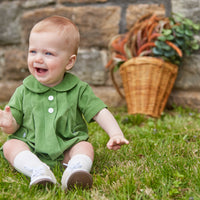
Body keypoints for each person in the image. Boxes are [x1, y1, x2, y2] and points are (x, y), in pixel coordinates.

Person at [0, 15, 129, 190]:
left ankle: (75, 171)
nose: (38, 58)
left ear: (69, 62)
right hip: (32, 148)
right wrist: (8, 124)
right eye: (33, 51)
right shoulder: (24, 90)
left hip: (68, 147)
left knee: (85, 147)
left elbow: (99, 111)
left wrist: (115, 133)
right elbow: (14, 126)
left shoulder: (78, 89)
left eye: (48, 53)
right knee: (10, 145)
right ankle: (38, 171)